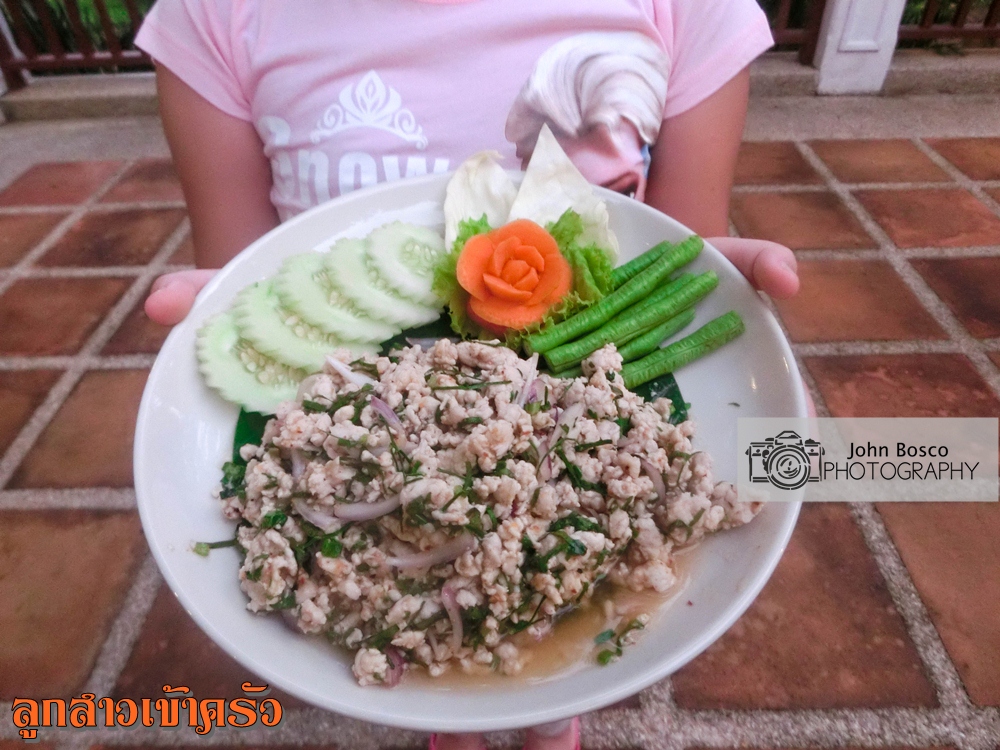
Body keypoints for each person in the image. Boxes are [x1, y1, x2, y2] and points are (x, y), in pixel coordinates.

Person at [135, 1, 800, 747]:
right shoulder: (212, 14)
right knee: (471, 657)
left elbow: (686, 241)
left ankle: (552, 715)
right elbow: (247, 278)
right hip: (379, 452)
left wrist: (706, 275)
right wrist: (224, 310)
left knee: (551, 627)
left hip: (567, 495)